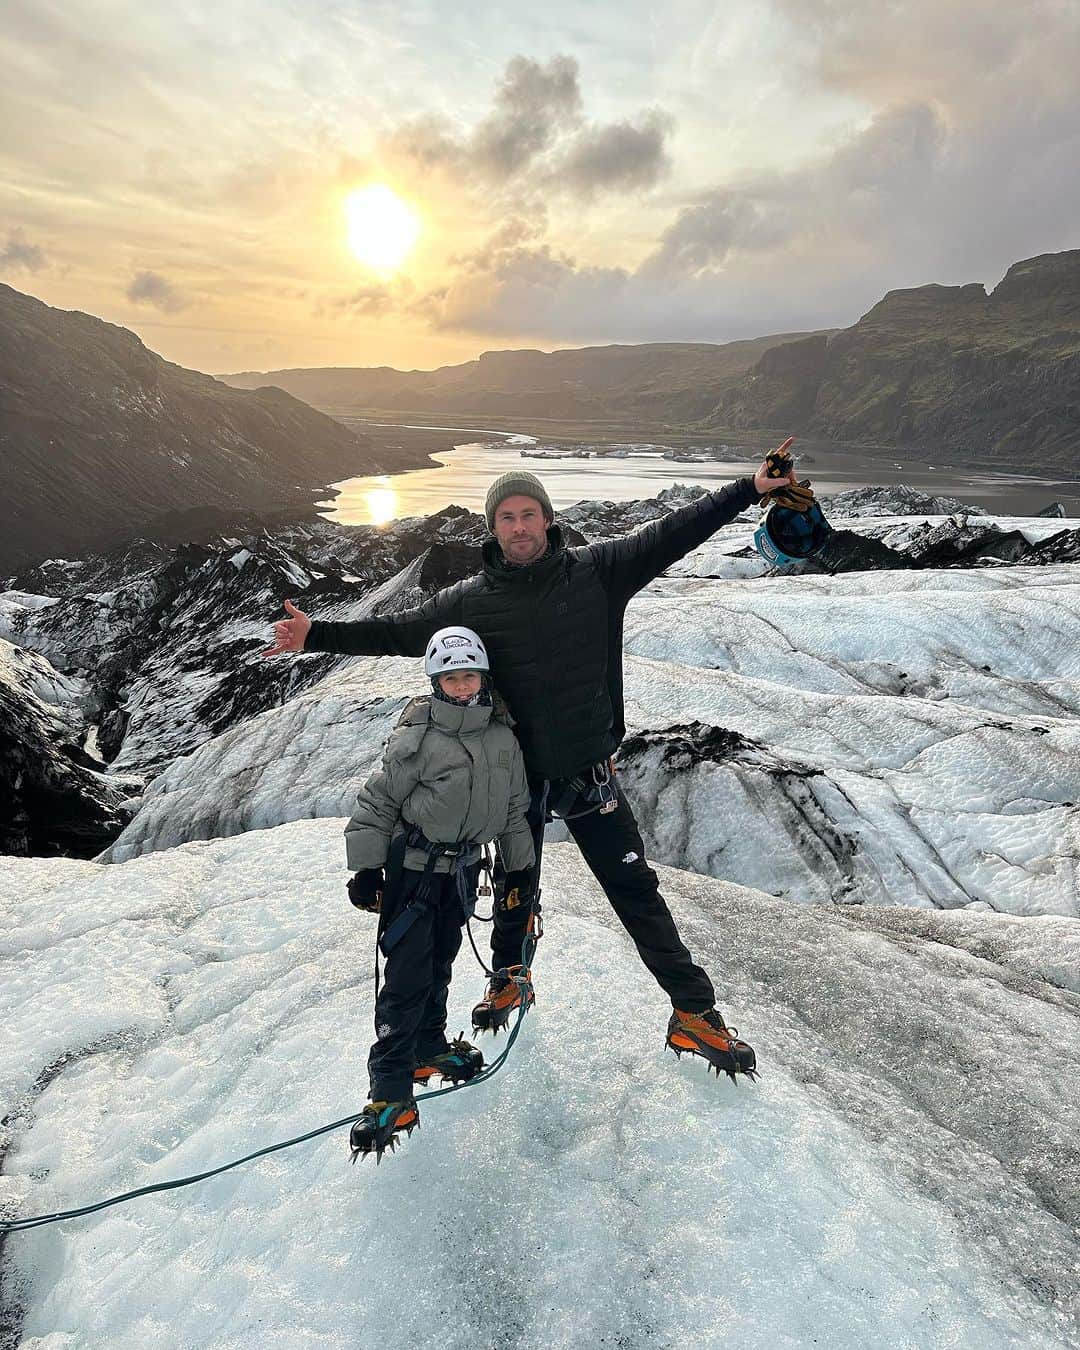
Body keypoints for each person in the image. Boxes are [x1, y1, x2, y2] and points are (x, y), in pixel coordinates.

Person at [264, 447, 798, 1084]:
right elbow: (401, 633)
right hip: (521, 779)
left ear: (548, 520)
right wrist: (316, 636)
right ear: (492, 529)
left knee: (636, 894)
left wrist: (748, 489)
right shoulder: (471, 601)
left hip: (590, 772)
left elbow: (673, 532)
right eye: (506, 518)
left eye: (529, 514)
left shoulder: (598, 572)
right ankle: (509, 978)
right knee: (518, 881)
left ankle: (692, 1009)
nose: (518, 527)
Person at [344, 625, 534, 1160]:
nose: (459, 686)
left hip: (464, 871)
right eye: (449, 678)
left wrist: (520, 872)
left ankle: (427, 1047)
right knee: (406, 977)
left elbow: (515, 810)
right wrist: (367, 870)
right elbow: (379, 803)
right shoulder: (419, 738)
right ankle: (388, 1089)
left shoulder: (502, 738)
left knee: (441, 964)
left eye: (467, 675)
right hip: (415, 872)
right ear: (435, 681)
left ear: (483, 677)